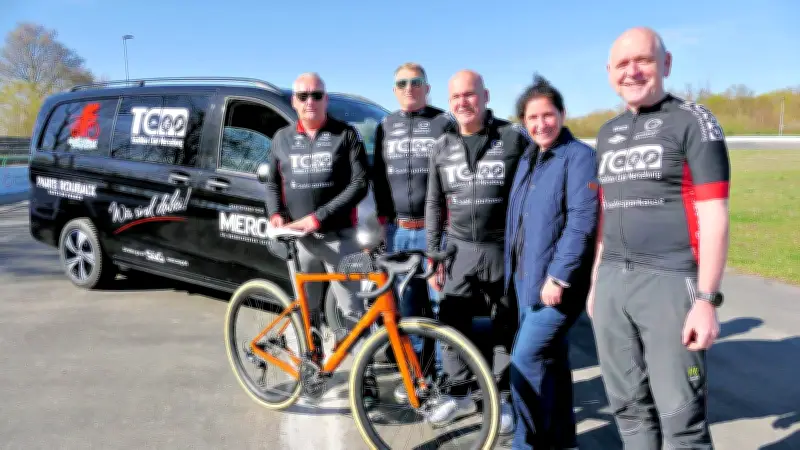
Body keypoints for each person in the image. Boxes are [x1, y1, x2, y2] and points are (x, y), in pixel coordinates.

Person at [589, 27, 730, 449]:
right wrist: (597, 282)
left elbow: (715, 213)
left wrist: (706, 301)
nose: (632, 71)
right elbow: (604, 213)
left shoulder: (693, 120)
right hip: (614, 278)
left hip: (669, 281)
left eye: (643, 60)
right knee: (628, 411)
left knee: (681, 421)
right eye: (622, 64)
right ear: (609, 72)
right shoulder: (606, 132)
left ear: (665, 64)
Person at [424, 69, 534, 433]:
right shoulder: (441, 144)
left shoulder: (511, 137)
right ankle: (459, 394)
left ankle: (500, 397)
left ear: (485, 96)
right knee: (452, 323)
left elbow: (536, 191)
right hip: (457, 250)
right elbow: (434, 203)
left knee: (505, 325)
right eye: (456, 97)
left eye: (469, 95)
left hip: (502, 249)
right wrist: (433, 251)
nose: (463, 102)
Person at [264, 72, 379, 406]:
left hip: (339, 237)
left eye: (316, 95)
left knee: (353, 308)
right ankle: (313, 367)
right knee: (307, 310)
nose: (309, 102)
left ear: (325, 99)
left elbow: (359, 184)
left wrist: (318, 217)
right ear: (294, 101)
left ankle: (364, 374)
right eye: (303, 96)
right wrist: (275, 213)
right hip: (299, 242)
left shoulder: (345, 134)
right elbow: (272, 182)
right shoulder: (281, 138)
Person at [504, 75, 599, 449]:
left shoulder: (579, 158)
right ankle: (563, 441)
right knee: (553, 366)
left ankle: (525, 445)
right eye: (532, 117)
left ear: (562, 114)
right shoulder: (531, 158)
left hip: (555, 287)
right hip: (527, 284)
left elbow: (581, 222)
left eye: (548, 114)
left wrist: (558, 277)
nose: (541, 123)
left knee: (524, 364)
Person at [370, 62, 450, 402]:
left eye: (416, 82)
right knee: (410, 309)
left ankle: (450, 381)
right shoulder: (385, 126)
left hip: (437, 232)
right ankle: (418, 377)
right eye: (401, 83)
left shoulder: (444, 122)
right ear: (394, 90)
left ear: (427, 87)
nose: (408, 88)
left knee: (443, 308)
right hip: (399, 231)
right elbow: (377, 176)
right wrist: (381, 224)